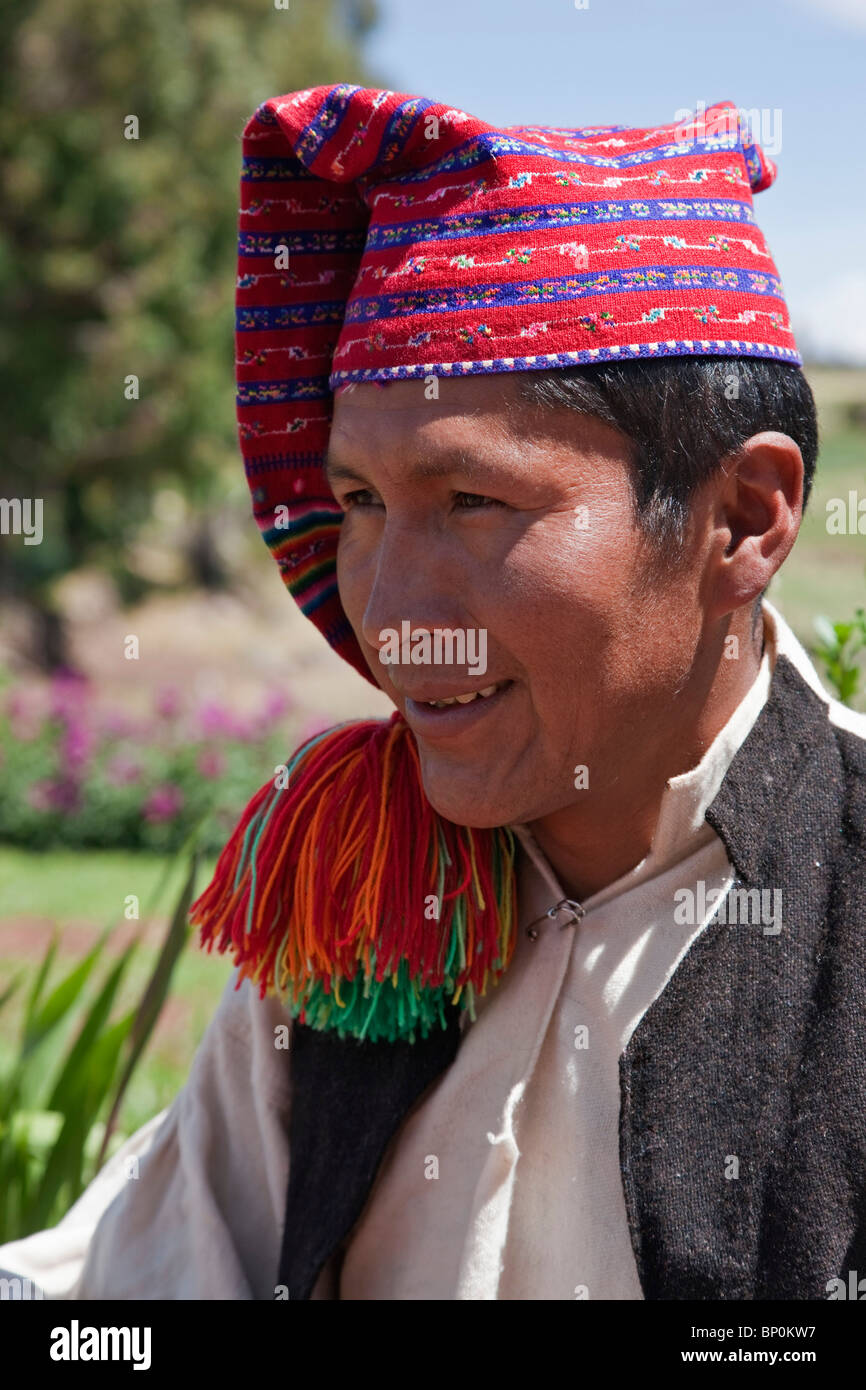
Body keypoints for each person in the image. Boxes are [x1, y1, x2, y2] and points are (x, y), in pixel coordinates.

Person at [3, 85, 865, 1302]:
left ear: (739, 519)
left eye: (473, 502)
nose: (391, 610)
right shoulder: (356, 897)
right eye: (358, 503)